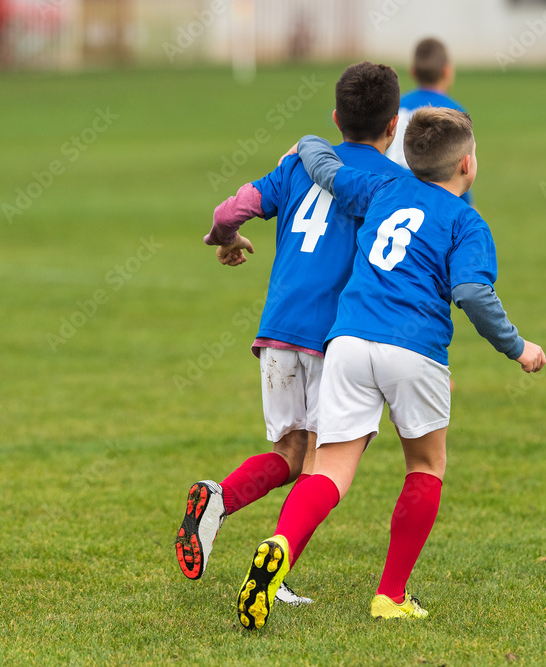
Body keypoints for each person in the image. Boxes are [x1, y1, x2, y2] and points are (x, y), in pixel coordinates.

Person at [235, 108, 546, 631]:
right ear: (467, 164)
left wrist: (307, 140)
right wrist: (517, 347)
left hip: (347, 342)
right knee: (425, 466)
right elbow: (472, 292)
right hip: (413, 349)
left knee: (329, 470)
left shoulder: (382, 187)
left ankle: (281, 543)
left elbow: (326, 170)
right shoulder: (467, 221)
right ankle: (390, 595)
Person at [175, 62, 409, 606]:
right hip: (337, 337)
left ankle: (218, 498)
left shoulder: (298, 163)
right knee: (325, 464)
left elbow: (229, 211)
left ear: (336, 118)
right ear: (393, 124)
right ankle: (274, 573)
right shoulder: (388, 183)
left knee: (291, 451)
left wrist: (226, 239)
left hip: (277, 330)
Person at [386, 37, 473, 205]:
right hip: (430, 199)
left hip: (390, 191)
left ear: (413, 72)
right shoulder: (453, 112)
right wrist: (468, 204)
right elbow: (460, 167)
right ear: (447, 71)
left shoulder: (396, 105)